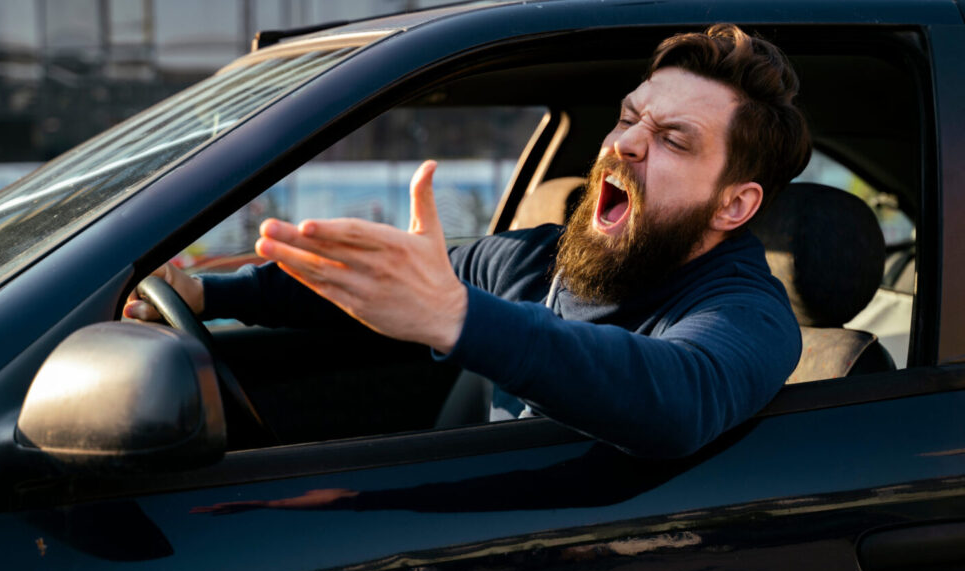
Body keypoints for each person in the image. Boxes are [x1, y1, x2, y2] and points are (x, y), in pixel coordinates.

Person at [126, 24, 811, 459]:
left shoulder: (749, 314)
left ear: (734, 203)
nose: (625, 143)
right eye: (630, 117)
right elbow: (375, 282)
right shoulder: (532, 258)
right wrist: (209, 291)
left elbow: (677, 400)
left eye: (673, 140)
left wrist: (456, 317)